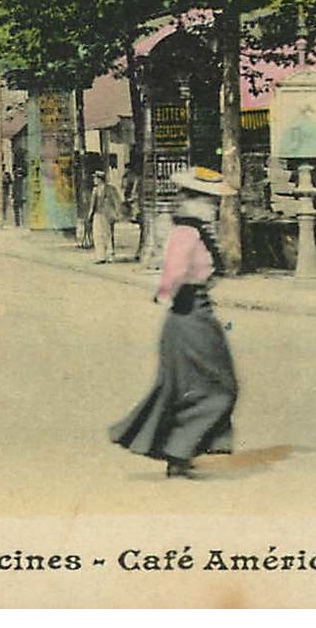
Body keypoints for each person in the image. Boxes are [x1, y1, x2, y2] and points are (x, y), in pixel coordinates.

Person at [109, 166, 240, 478]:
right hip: (188, 314)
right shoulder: (186, 232)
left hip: (198, 313)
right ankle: (179, 451)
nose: (213, 206)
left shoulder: (196, 231)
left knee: (196, 385)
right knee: (212, 386)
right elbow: (176, 272)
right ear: (194, 200)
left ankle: (180, 451)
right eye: (207, 199)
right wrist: (167, 294)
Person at [87, 169, 123, 264]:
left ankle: (110, 254)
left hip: (107, 215)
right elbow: (92, 204)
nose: (94, 180)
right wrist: (90, 215)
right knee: (97, 235)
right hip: (97, 214)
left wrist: (117, 213)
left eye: (95, 178)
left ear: (100, 179)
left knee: (107, 234)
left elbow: (117, 201)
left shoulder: (110, 189)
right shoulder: (95, 190)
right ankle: (100, 256)